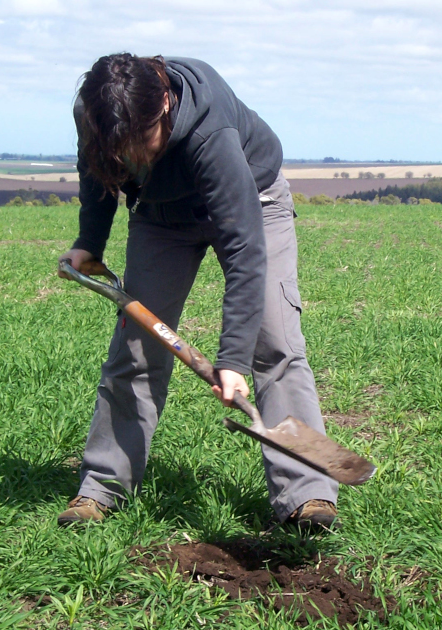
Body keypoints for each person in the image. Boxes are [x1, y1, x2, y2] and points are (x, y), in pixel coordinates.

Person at [56, 54, 339, 530]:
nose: (134, 158)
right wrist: (89, 242)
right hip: (161, 217)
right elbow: (98, 176)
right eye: (120, 148)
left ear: (165, 103)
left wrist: (231, 361)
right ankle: (102, 486)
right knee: (135, 350)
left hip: (255, 202)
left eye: (141, 143)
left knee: (274, 344)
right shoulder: (98, 115)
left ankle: (308, 493)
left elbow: (246, 248)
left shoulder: (211, 133)